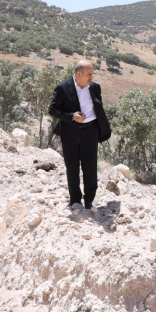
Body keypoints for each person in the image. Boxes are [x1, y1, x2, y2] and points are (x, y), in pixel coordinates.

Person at [48, 60, 111, 210]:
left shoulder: (95, 88)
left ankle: (89, 200)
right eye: (89, 74)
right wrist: (71, 116)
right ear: (78, 74)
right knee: (72, 166)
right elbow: (52, 110)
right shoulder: (63, 88)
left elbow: (98, 108)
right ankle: (75, 200)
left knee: (90, 166)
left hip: (91, 131)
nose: (92, 77)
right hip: (70, 132)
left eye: (92, 74)